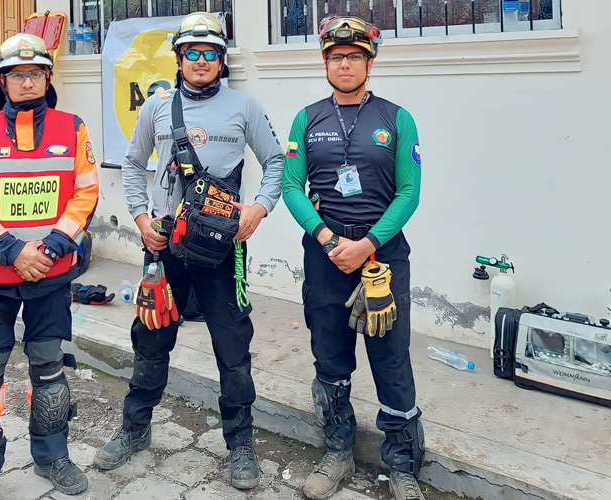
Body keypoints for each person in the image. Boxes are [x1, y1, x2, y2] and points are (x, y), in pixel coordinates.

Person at [92, 12, 284, 490]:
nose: (201, 60)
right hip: (164, 246)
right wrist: (141, 219)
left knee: (233, 349)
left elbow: (277, 161)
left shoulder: (244, 106)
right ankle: (134, 429)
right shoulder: (158, 106)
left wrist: (259, 208)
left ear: (222, 60)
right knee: (150, 339)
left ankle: (240, 445)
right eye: (192, 52)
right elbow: (132, 163)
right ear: (179, 58)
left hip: (222, 250)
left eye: (210, 53)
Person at [0, 33, 99, 499]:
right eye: (18, 75)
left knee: (50, 371)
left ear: (48, 78)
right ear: (3, 81)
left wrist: (50, 248)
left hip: (50, 275)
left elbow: (86, 193)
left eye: (35, 74)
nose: (27, 82)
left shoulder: (73, 128)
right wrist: (14, 251)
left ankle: (52, 458)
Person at [282, 16, 425, 500]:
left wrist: (368, 244)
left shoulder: (397, 119)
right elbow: (291, 187)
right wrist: (327, 240)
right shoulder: (307, 119)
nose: (345, 64)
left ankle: (402, 465)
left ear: (370, 63)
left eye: (355, 57)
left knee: (391, 358)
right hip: (326, 257)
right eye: (337, 57)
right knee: (330, 356)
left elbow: (409, 192)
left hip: (382, 258)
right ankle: (337, 451)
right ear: (325, 62)